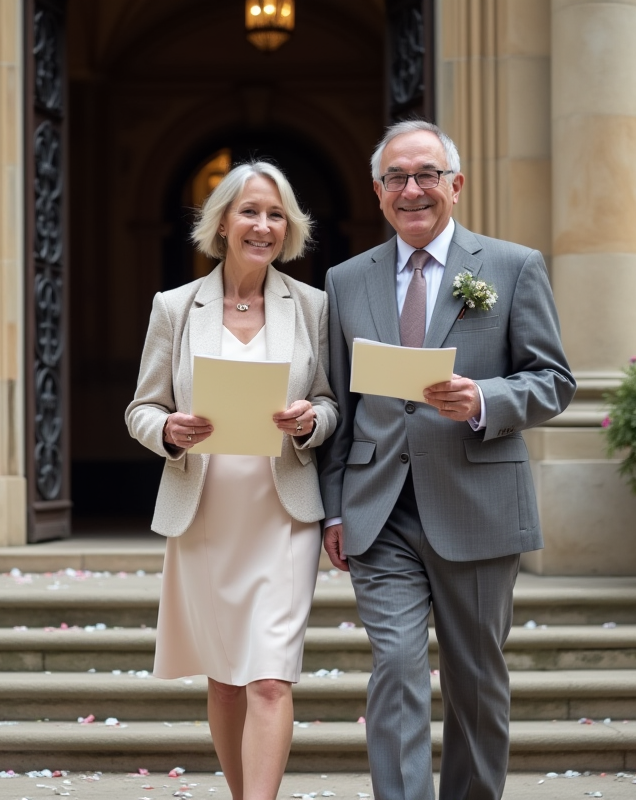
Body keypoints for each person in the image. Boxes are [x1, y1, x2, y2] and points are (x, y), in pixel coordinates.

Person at [318, 120, 575, 800]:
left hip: (479, 505)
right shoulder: (345, 281)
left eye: (426, 174)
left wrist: (483, 398)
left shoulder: (513, 266)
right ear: (378, 193)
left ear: (455, 185)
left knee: (476, 680)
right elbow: (340, 404)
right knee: (396, 669)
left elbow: (553, 381)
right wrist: (335, 507)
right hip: (380, 513)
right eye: (397, 178)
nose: (413, 190)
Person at [125, 161, 339, 800]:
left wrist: (310, 421)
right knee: (224, 677)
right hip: (206, 513)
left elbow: (331, 405)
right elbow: (141, 408)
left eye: (276, 215)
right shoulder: (175, 308)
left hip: (282, 512)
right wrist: (168, 432)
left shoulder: (312, 307)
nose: (263, 226)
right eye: (250, 211)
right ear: (221, 222)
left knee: (270, 679)